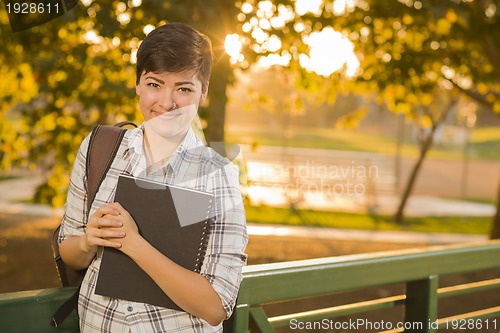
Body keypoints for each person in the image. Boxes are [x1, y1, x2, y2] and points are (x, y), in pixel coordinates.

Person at [58, 22, 248, 333]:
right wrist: (89, 242)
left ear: (203, 93)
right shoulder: (99, 148)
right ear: (137, 84)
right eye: (155, 84)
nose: (167, 103)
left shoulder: (218, 174)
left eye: (184, 88)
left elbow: (216, 306)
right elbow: (69, 252)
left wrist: (132, 242)